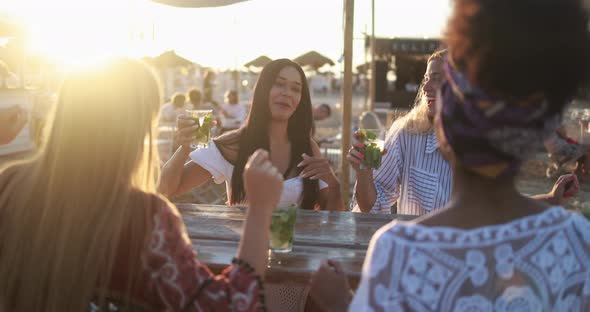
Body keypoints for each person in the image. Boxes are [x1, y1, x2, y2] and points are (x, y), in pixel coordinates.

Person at [311, 0, 590, 310]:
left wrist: (339, 304)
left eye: (443, 85)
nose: (429, 88)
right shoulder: (577, 241)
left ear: (446, 124)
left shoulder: (399, 252)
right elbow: (497, 218)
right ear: (540, 130)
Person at [0, 59, 282, 311]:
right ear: (135, 129)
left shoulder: (10, 186)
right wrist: (260, 208)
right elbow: (229, 305)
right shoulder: (145, 219)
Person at [159, 58, 343, 212]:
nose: (287, 93)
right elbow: (165, 189)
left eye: (296, 89)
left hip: (297, 251)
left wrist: (333, 184)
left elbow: (334, 220)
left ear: (300, 100)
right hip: (244, 250)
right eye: (279, 84)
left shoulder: (307, 148)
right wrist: (184, 148)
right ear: (263, 90)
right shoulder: (233, 145)